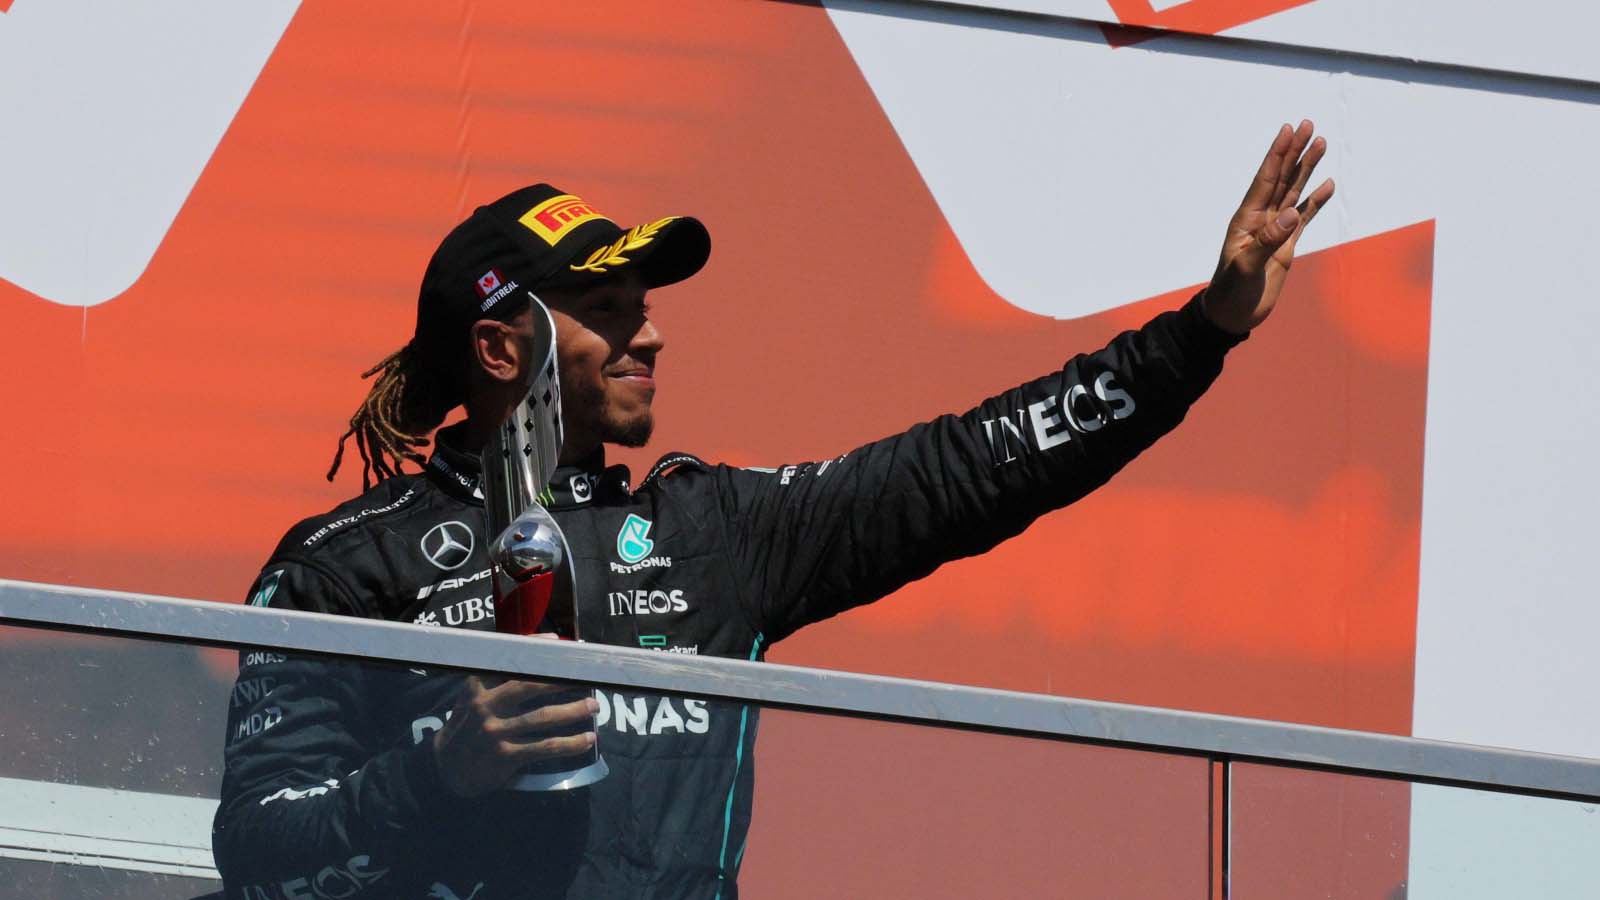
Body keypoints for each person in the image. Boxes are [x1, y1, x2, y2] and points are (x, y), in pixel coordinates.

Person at [213, 122, 1335, 899]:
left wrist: (1203, 334)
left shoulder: (717, 537)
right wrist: (440, 771)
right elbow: (256, 852)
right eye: (607, 310)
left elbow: (975, 466)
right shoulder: (343, 565)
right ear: (503, 345)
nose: (650, 333)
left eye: (644, 306)